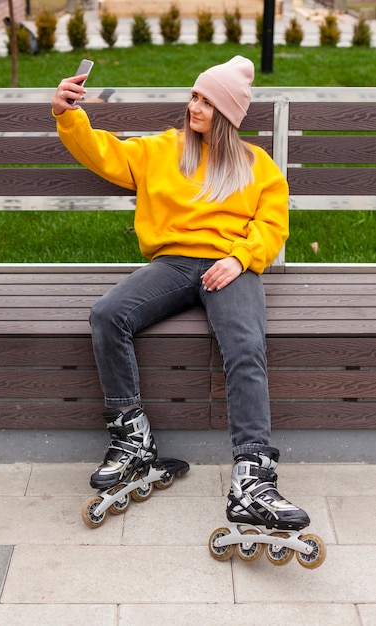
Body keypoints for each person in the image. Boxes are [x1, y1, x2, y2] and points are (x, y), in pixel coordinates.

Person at [52, 55, 310, 531]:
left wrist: (239, 258)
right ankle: (133, 440)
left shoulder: (258, 166)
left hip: (233, 267)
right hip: (173, 264)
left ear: (228, 115)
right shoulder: (162, 150)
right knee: (108, 314)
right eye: (194, 96)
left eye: (207, 102)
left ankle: (253, 477)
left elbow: (273, 225)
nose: (194, 107)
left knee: (245, 345)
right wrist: (69, 115)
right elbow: (105, 153)